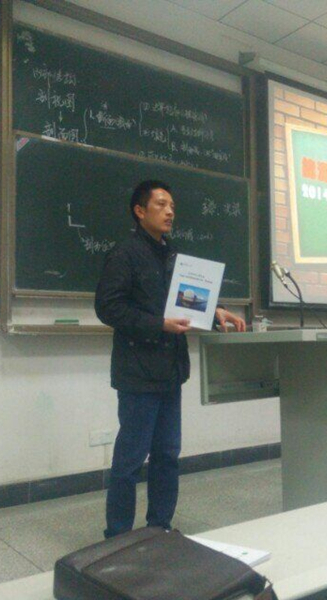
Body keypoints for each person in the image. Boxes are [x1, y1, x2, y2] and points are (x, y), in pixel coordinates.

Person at [94, 179, 246, 538]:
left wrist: (215, 311)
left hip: (171, 371)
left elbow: (186, 305)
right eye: (161, 205)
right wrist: (158, 324)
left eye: (172, 206)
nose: (170, 212)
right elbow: (108, 307)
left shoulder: (175, 256)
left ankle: (160, 527)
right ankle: (117, 535)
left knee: (167, 455)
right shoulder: (125, 254)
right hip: (138, 371)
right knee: (130, 459)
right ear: (140, 211)